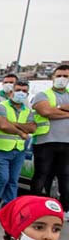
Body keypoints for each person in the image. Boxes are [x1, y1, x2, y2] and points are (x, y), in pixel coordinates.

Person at [0, 81, 36, 218]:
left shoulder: (27, 110)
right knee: (2, 179)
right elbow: (3, 125)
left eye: (24, 91)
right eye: (18, 90)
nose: (21, 93)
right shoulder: (1, 107)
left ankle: (9, 207)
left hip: (18, 150)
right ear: (11, 91)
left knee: (13, 181)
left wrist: (13, 124)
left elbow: (32, 128)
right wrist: (20, 132)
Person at [30, 64, 69, 205]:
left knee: (65, 176)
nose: (62, 79)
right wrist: (62, 110)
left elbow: (52, 112)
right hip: (45, 142)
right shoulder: (43, 94)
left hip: (66, 142)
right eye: (59, 75)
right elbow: (46, 112)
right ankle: (35, 205)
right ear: (53, 77)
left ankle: (65, 208)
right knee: (42, 174)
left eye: (65, 76)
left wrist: (56, 110)